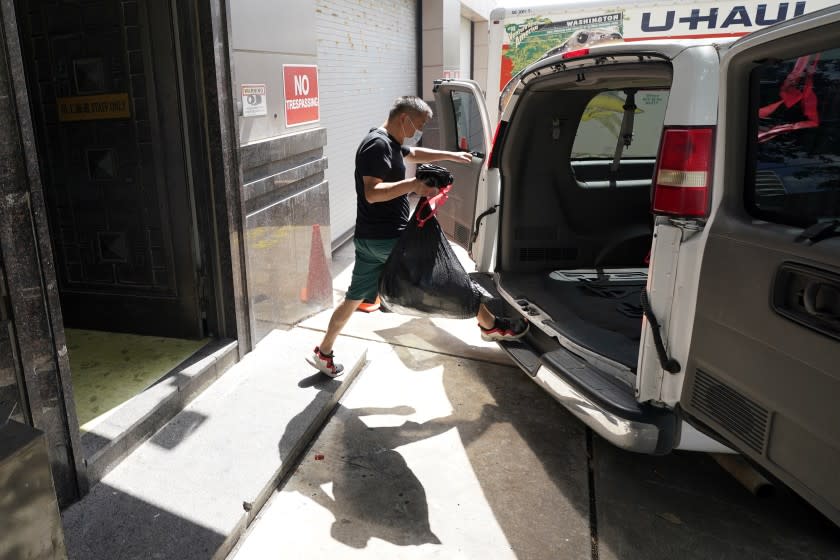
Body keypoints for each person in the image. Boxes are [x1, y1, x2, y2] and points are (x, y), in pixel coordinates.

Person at [307, 96, 528, 377]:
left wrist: (450, 155)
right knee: (449, 276)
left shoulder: (388, 142)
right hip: (390, 239)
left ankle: (323, 351)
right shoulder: (377, 146)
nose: (419, 130)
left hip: (370, 239)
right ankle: (490, 325)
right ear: (404, 119)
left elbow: (412, 155)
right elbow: (372, 193)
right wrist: (413, 185)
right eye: (420, 124)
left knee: (352, 299)